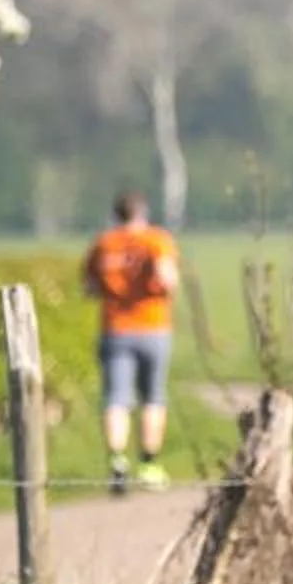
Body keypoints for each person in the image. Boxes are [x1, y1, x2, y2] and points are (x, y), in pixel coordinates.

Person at [82, 190, 181, 494]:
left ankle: (117, 462)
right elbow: (167, 279)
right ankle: (149, 464)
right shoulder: (157, 240)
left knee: (116, 399)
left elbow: (89, 287)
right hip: (153, 327)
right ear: (142, 212)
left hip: (115, 328)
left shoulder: (104, 244)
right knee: (153, 397)